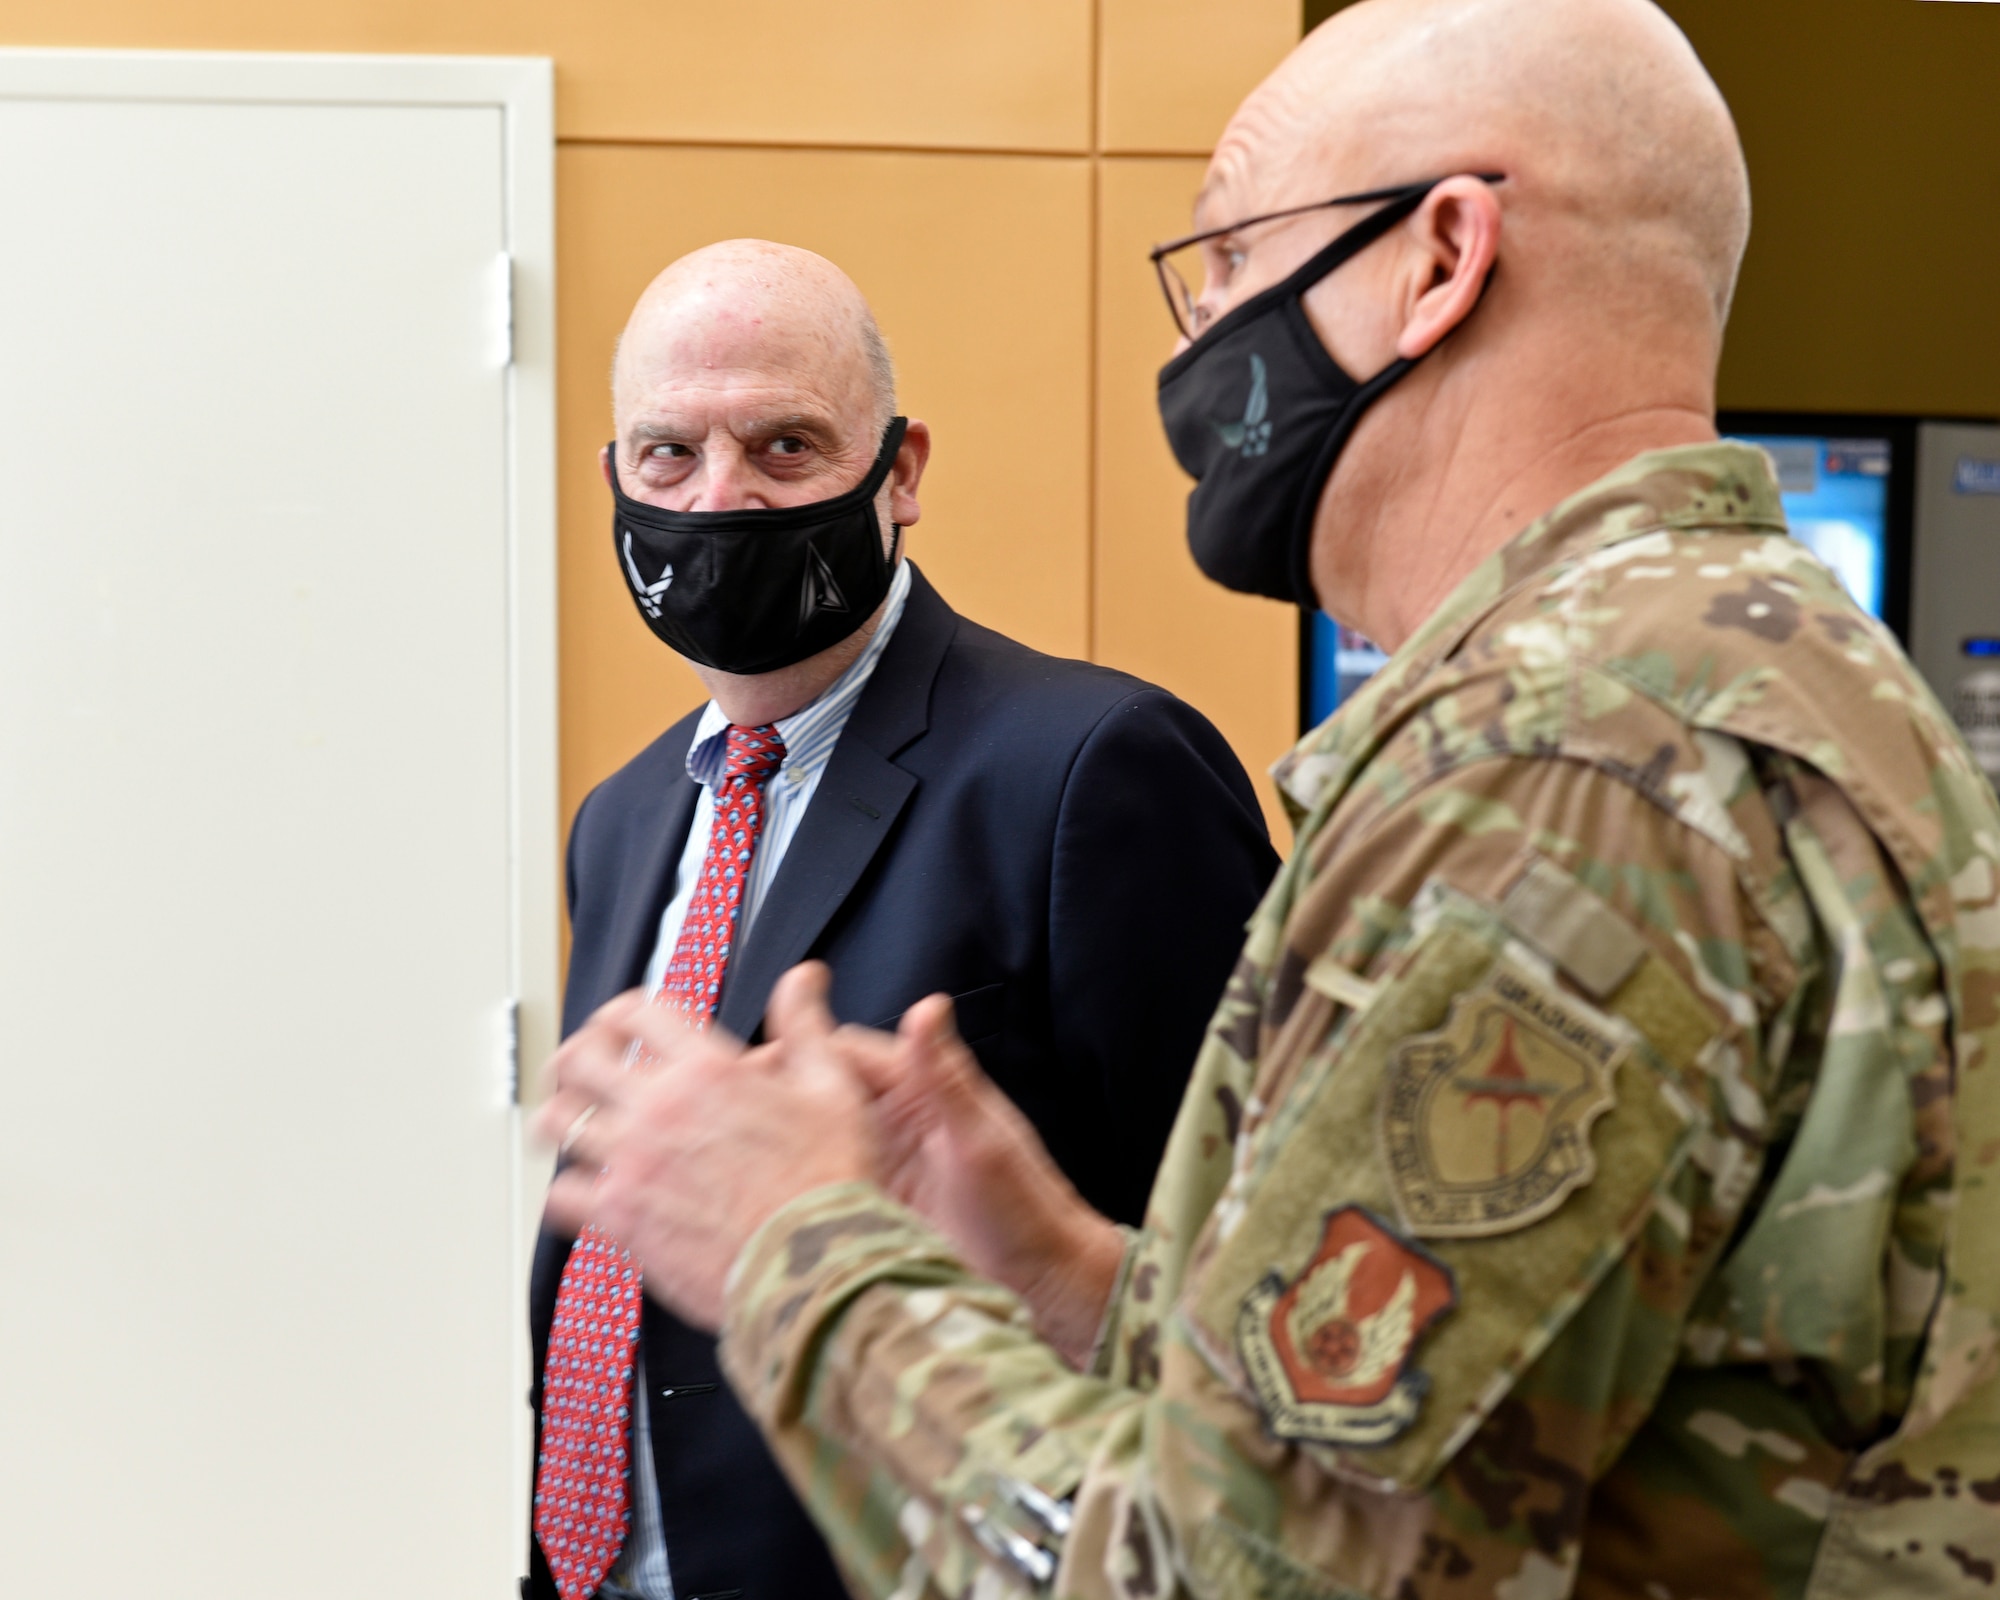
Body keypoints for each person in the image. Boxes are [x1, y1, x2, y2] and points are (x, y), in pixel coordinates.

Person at [537, 3, 2000, 1595]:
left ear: (1441, 258)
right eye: (664, 454)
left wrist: (789, 1250)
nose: (1193, 346)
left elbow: (1230, 1571)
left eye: (1229, 259)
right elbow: (1457, 1422)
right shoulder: (1742, 668)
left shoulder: (1566, 767)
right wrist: (1079, 1278)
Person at [524, 240, 1279, 1600]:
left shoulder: (1097, 768)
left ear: (902, 471)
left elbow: (1243, 1290)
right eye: (669, 456)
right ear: (613, 482)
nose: (723, 497)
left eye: (787, 445)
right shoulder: (622, 821)